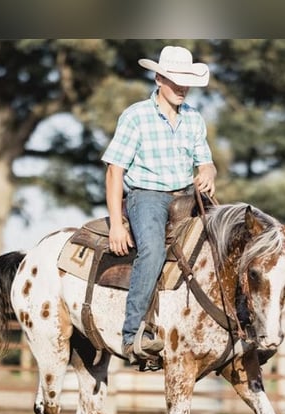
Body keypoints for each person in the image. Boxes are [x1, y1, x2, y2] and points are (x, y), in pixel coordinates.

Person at [101, 45, 217, 363]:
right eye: (175, 80)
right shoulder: (136, 116)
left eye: (186, 80)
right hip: (146, 196)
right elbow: (115, 171)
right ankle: (133, 333)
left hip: (185, 196)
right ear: (158, 78)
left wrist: (208, 173)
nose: (181, 87)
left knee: (221, 242)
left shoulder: (194, 119)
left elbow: (206, 163)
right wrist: (115, 223)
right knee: (152, 250)